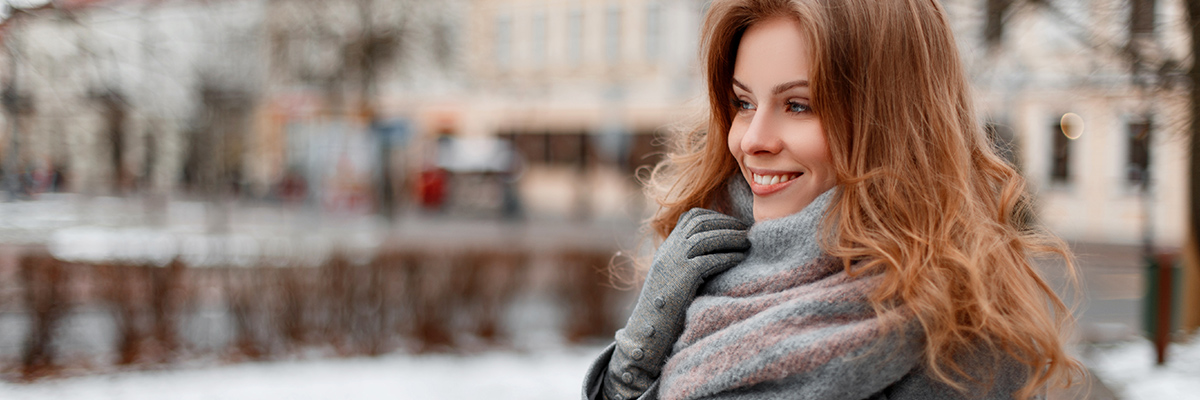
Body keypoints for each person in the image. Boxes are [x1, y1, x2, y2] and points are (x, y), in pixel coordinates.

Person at [582, 0, 1083, 399]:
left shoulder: (959, 340)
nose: (752, 139)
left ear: (892, 120)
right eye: (743, 103)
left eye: (799, 105)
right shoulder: (711, 260)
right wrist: (637, 352)